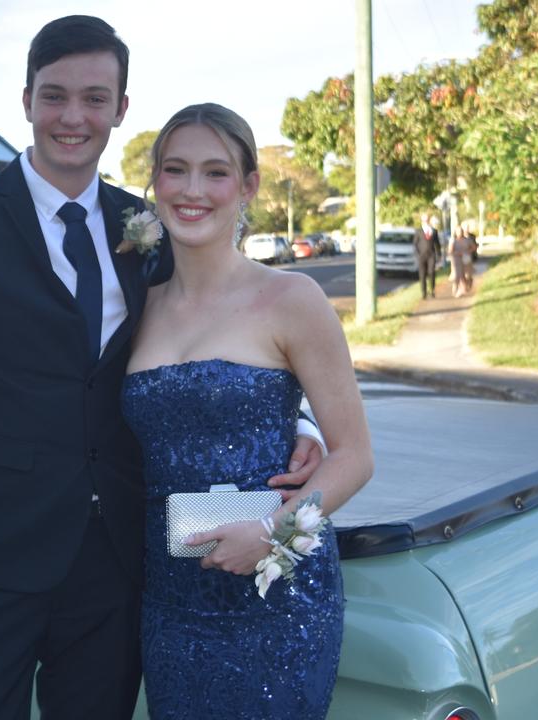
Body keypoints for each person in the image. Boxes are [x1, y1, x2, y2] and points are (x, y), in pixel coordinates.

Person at [0, 17, 326, 720]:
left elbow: (201, 338)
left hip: (117, 565)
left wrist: (296, 419)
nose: (73, 116)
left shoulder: (144, 228)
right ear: (26, 99)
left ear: (121, 110)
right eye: (54, 95)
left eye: (95, 98)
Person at [123, 103, 373, 720]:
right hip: (170, 601)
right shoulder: (136, 304)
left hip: (277, 603)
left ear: (248, 185)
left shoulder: (292, 298)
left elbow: (356, 457)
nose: (193, 190)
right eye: (176, 171)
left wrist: (272, 535)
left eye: (216, 172)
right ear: (154, 181)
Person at [417, 212, 441, 298]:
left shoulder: (434, 231)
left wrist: (439, 255)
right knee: (422, 274)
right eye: (424, 220)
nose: (425, 221)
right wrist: (417, 255)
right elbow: (415, 244)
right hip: (421, 256)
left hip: (431, 255)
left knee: (431, 272)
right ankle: (424, 292)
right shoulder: (418, 231)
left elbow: (437, 244)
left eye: (427, 220)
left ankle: (432, 290)